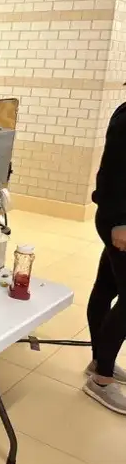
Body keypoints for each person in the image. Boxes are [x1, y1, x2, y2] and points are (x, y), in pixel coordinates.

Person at [85, 101, 126, 415]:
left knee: (106, 288)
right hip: (120, 221)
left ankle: (101, 360)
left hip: (118, 220)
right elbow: (113, 171)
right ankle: (101, 380)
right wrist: (120, 223)